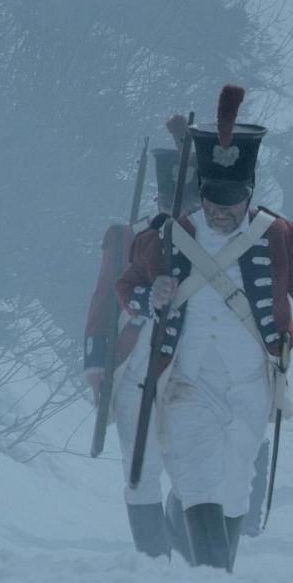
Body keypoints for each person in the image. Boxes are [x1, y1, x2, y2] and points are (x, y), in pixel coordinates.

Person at [118, 85, 293, 571]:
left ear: (249, 192)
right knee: (198, 479)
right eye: (212, 199)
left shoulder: (280, 236)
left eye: (231, 200)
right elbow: (128, 285)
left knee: (232, 487)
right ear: (201, 190)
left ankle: (216, 576)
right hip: (186, 380)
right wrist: (151, 295)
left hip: (251, 384)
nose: (221, 211)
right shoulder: (167, 235)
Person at [83, 115, 195, 560]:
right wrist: (98, 366)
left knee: (192, 469)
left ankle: (185, 538)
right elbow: (102, 304)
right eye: (173, 198)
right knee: (139, 468)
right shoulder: (129, 236)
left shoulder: (223, 245)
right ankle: (153, 557)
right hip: (135, 366)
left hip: (195, 371)